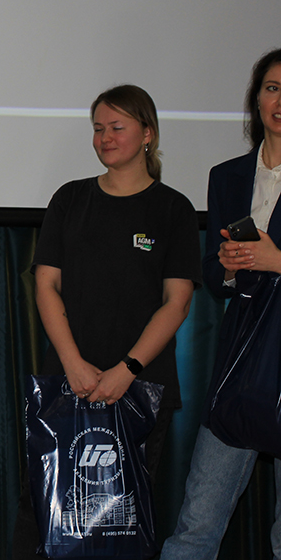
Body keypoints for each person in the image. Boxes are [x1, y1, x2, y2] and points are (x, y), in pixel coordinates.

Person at [12, 84, 201, 559]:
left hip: (141, 389)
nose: (105, 138)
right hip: (67, 384)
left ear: (147, 134)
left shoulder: (173, 208)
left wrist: (127, 370)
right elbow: (46, 286)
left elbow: (177, 302)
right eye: (98, 129)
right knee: (44, 516)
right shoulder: (71, 199)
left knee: (119, 525)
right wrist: (73, 364)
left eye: (117, 127)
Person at [160, 48, 281, 560]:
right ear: (256, 99)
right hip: (241, 359)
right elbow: (212, 274)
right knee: (197, 524)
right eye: (272, 88)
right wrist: (230, 266)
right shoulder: (227, 174)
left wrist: (278, 260)